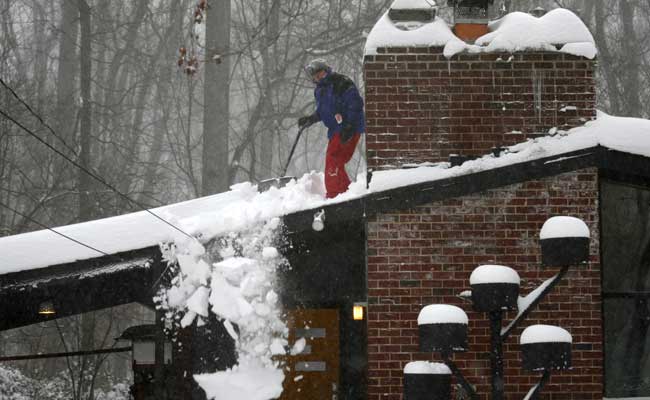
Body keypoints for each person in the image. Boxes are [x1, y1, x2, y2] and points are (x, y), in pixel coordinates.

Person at [298, 59, 366, 199]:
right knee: (336, 161)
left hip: (348, 128)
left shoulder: (340, 82)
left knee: (333, 159)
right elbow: (323, 111)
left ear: (326, 70)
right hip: (336, 130)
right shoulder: (320, 91)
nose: (318, 78)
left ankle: (335, 195)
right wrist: (311, 119)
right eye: (315, 77)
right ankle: (345, 193)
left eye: (320, 74)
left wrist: (349, 126)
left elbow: (356, 103)